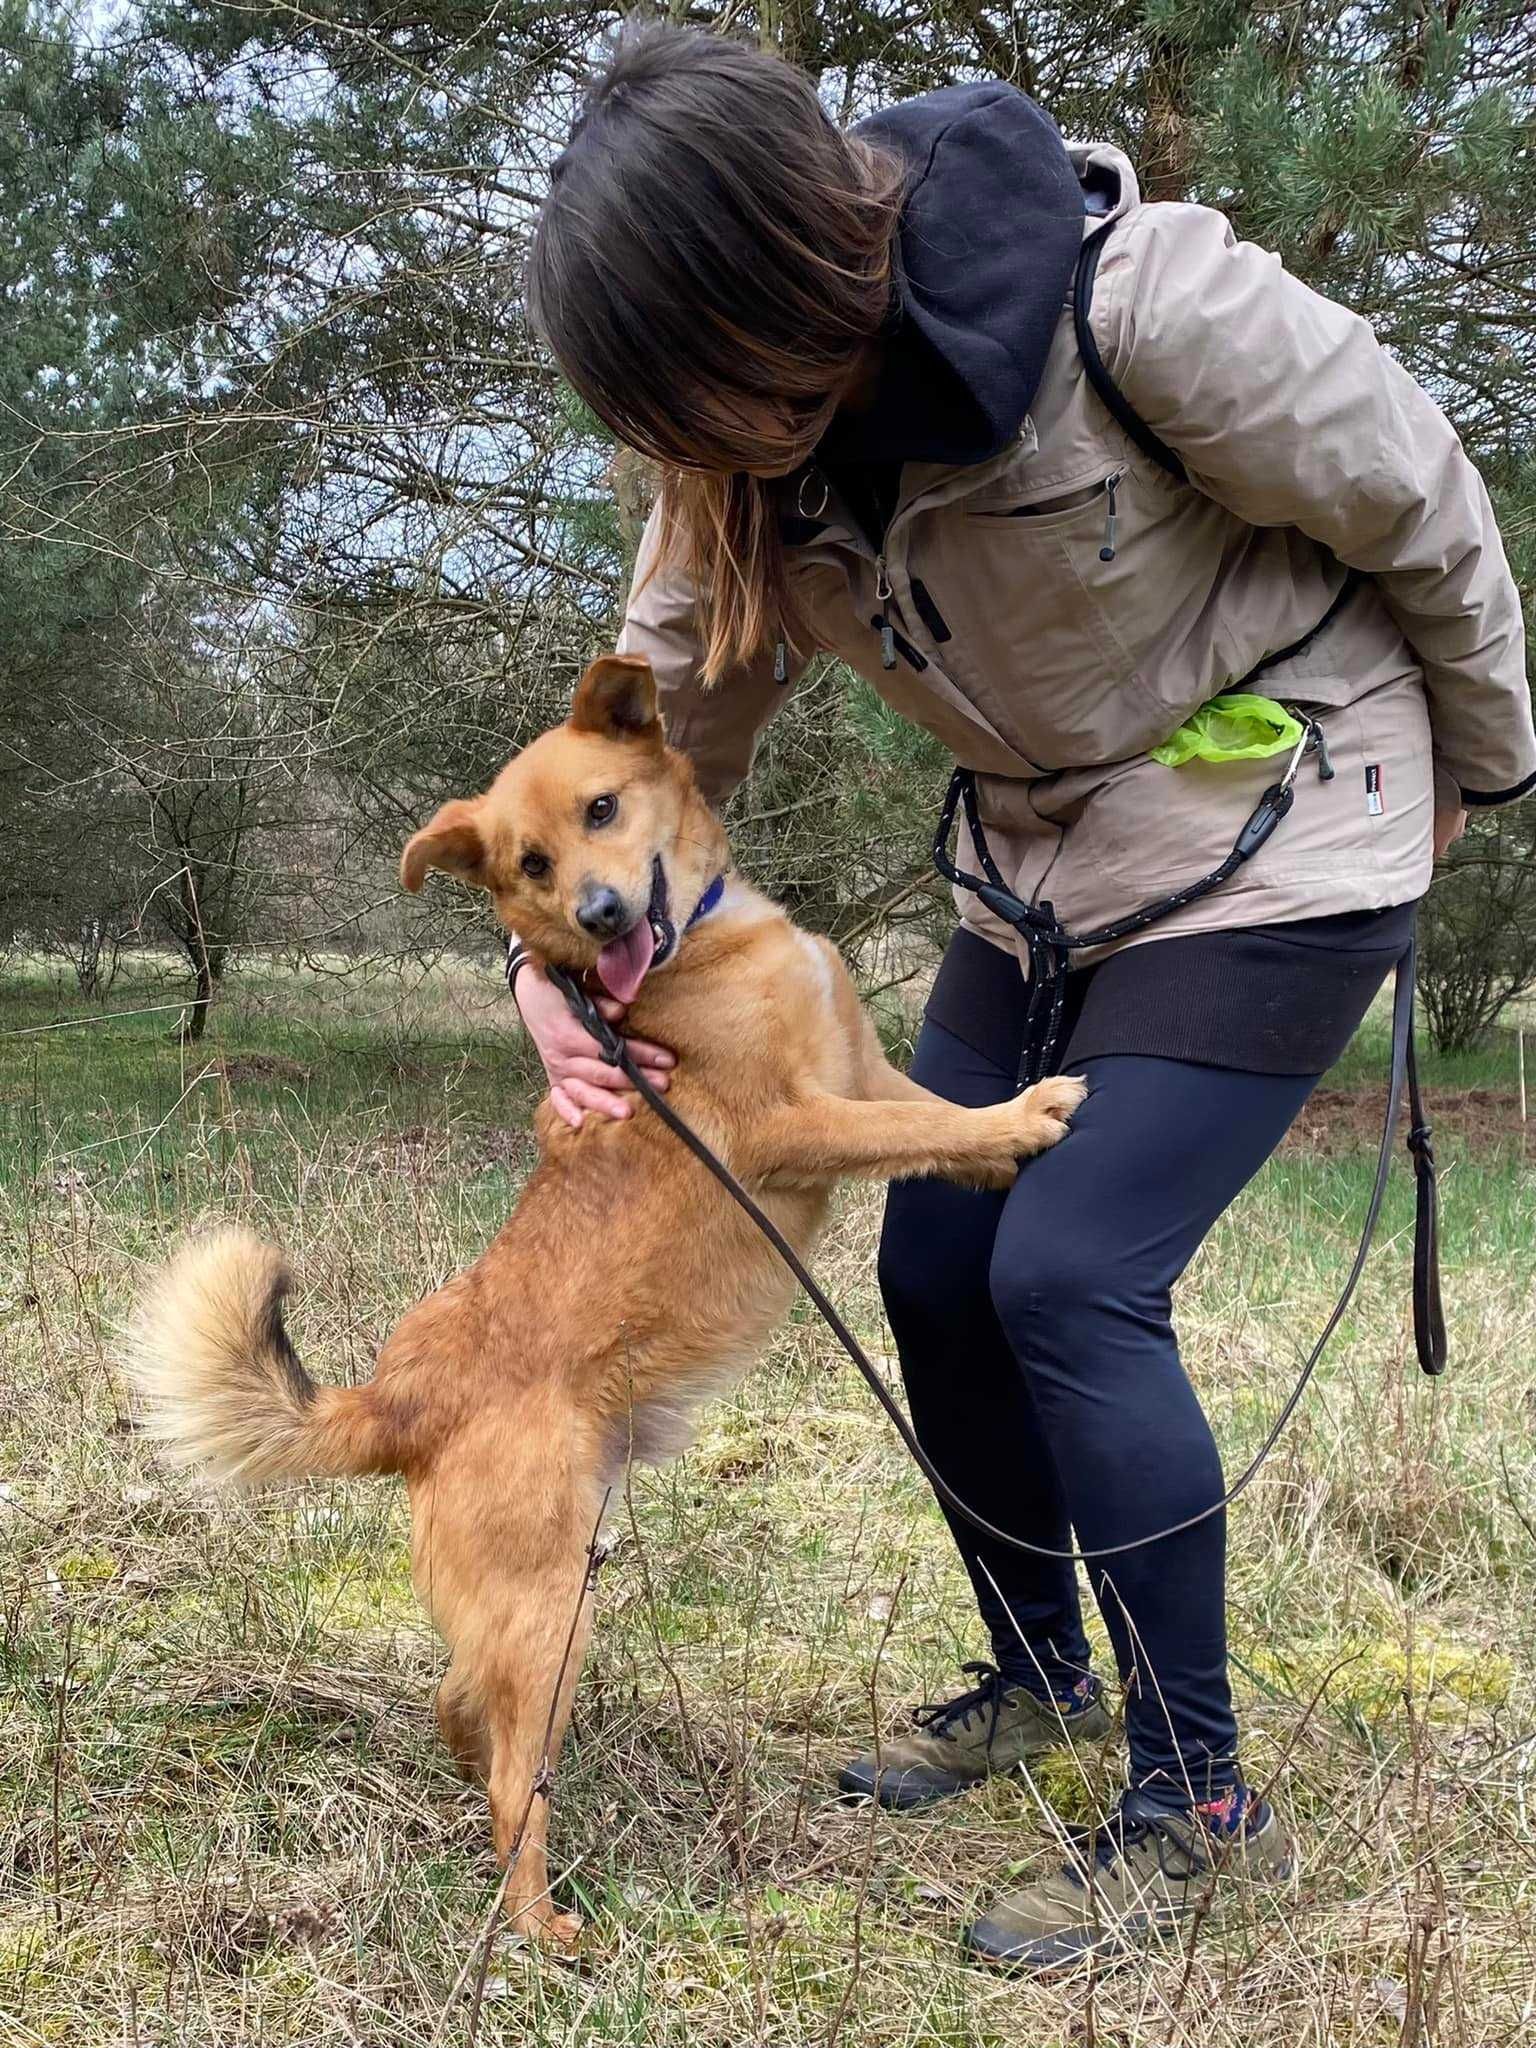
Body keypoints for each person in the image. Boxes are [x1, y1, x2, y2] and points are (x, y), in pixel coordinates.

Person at [515, 24, 1536, 1972]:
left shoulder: (1137, 308)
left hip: (1294, 799)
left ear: (782, 282)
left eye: (692, 392)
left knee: (1066, 1272)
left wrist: (1483, 773)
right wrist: (569, 956)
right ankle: (1042, 1676)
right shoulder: (739, 466)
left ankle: (1194, 1791)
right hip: (1052, 850)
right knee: (932, 1267)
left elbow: (1418, 487)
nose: (689, 459)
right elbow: (645, 739)